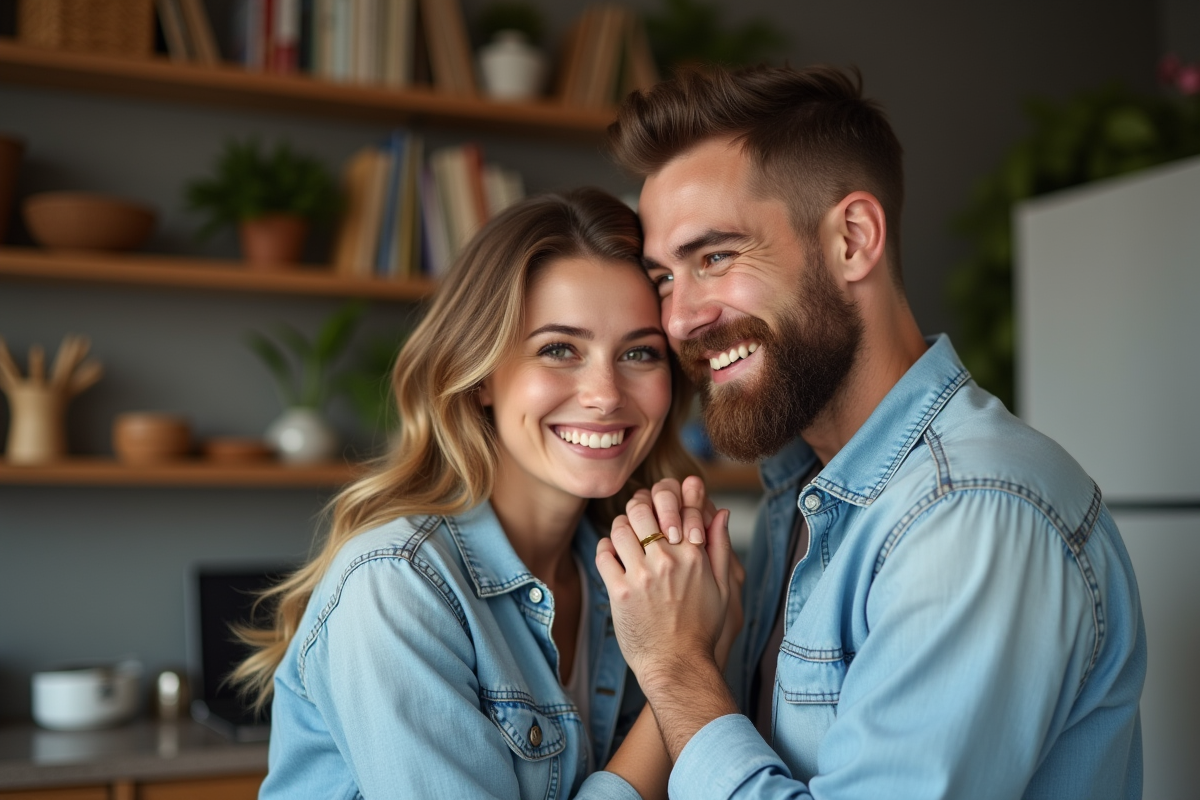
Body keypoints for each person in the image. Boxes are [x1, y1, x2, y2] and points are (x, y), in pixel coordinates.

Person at [594, 65, 1146, 799]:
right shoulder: (803, 488)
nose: (678, 319)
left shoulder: (972, 514)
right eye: (665, 277)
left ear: (853, 239)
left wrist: (675, 668)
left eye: (715, 257)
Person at [235, 188, 728, 799]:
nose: (605, 393)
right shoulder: (397, 585)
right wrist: (684, 669)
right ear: (481, 379)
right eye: (558, 349)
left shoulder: (637, 579)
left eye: (638, 352)